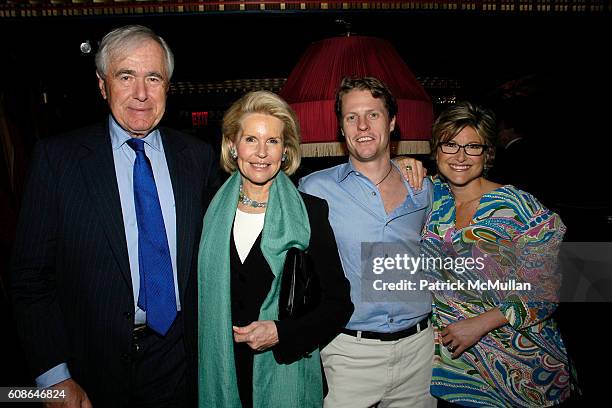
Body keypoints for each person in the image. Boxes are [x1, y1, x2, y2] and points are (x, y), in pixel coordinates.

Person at [10, 25, 219, 407]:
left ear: (167, 86)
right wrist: (53, 377)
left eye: (153, 78)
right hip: (90, 370)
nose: (141, 93)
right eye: (126, 76)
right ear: (103, 86)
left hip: (181, 362)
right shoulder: (59, 161)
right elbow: (29, 281)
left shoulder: (198, 158)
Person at [196, 90, 353, 407]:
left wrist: (283, 332)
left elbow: (338, 305)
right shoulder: (206, 208)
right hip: (222, 369)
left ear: (285, 151)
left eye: (273, 141)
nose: (261, 153)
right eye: (251, 139)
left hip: (284, 368)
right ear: (232, 145)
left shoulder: (310, 212)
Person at [421, 101, 576, 406]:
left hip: (525, 368)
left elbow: (547, 289)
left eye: (473, 147)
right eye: (450, 144)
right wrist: (403, 163)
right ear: (436, 149)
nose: (460, 157)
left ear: (488, 152)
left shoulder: (519, 207)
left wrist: (480, 323)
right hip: (458, 372)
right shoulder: (433, 197)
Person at [299, 76, 437, 408]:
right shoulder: (313, 188)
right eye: (351, 116)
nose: (362, 125)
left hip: (420, 351)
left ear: (392, 122)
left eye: (373, 114)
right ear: (341, 129)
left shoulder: (424, 188)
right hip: (349, 353)